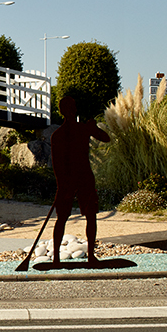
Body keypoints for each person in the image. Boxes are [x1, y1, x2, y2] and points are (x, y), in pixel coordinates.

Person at [50, 95, 111, 265]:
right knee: (84, 217)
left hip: (74, 180)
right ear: (71, 110)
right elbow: (106, 138)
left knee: (69, 217)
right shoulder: (81, 130)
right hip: (80, 178)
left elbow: (56, 165)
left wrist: (61, 183)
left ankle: (60, 259)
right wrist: (92, 127)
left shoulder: (58, 134)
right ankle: (89, 256)